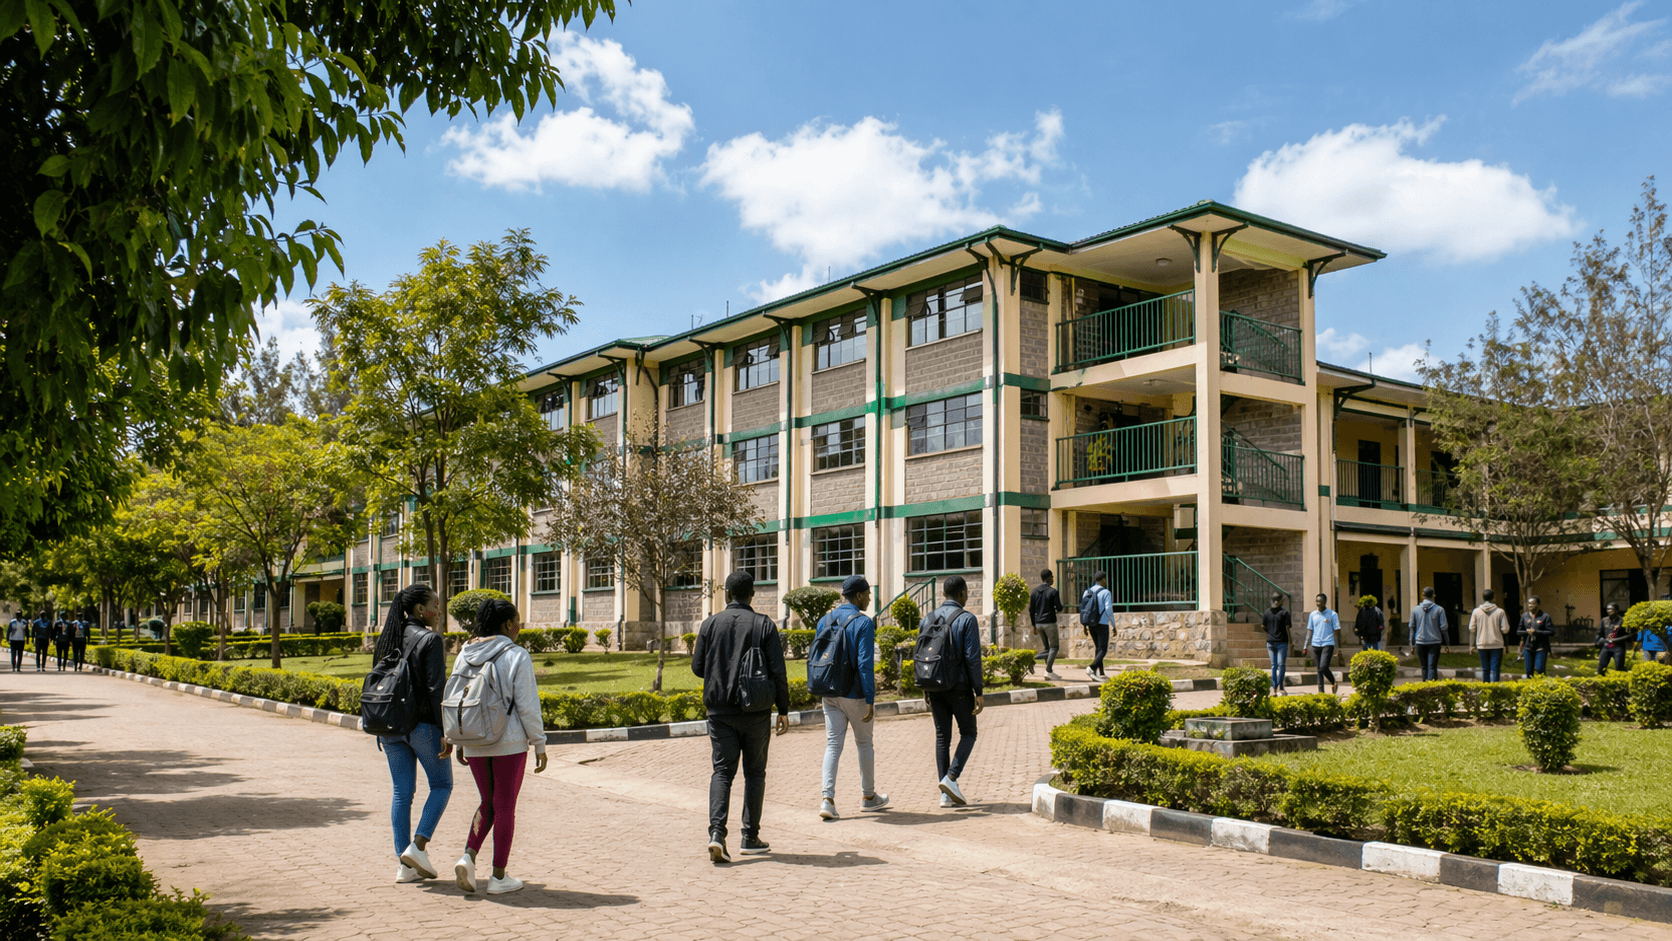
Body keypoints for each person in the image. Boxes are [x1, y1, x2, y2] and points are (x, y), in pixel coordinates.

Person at [692, 570, 790, 864]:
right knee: (755, 773)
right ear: (753, 595)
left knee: (722, 772)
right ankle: (750, 836)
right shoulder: (764, 625)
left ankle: (717, 834)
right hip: (756, 711)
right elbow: (778, 671)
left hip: (719, 710)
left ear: (726, 594)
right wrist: (783, 709)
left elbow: (698, 667)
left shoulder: (709, 624)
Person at [451, 598, 547, 896]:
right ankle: (498, 876)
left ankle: (468, 856)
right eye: (517, 621)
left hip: (475, 739)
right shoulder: (517, 655)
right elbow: (528, 705)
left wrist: (458, 739)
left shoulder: (464, 653)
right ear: (507, 624)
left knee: (487, 802)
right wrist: (540, 743)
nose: (520, 626)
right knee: (505, 807)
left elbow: (455, 698)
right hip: (510, 742)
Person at [371, 584, 452, 887]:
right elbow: (435, 691)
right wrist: (446, 731)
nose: (438, 609)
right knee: (442, 785)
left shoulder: (388, 637)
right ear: (420, 609)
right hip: (422, 726)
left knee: (402, 794)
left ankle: (403, 866)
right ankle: (417, 848)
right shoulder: (430, 640)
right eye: (435, 603)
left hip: (390, 727)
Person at [815, 575, 887, 821]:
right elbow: (865, 663)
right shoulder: (863, 622)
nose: (869, 598)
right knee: (864, 743)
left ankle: (827, 799)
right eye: (867, 594)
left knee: (833, 744)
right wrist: (870, 698)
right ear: (858, 596)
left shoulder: (824, 619)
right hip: (854, 693)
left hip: (829, 690)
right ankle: (868, 797)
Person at [921, 575, 985, 808]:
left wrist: (925, 688)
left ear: (942, 595)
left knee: (942, 738)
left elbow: (922, 654)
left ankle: (945, 795)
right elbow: (972, 657)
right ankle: (951, 777)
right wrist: (978, 690)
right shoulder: (967, 619)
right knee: (969, 733)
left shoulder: (927, 618)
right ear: (962, 594)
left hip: (933, 685)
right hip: (958, 686)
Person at [1028, 569, 1065, 680]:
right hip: (1049, 622)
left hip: (1038, 623)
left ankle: (1045, 668)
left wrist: (1033, 625)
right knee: (1054, 647)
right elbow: (1059, 608)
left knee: (1047, 649)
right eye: (1052, 577)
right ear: (1048, 578)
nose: (1053, 579)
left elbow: (1031, 609)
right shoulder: (1053, 592)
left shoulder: (1034, 592)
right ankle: (1048, 671)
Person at [1302, 594, 1341, 695]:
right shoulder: (1312, 615)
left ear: (1325, 602)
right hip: (1315, 644)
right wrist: (1305, 646)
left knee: (1323, 667)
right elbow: (1309, 631)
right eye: (1317, 601)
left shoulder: (1332, 614)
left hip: (1328, 643)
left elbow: (1337, 631)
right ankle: (1321, 692)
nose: (1318, 604)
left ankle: (1333, 681)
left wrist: (1338, 648)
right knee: (1319, 670)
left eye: (1320, 601)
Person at [1468, 589, 1510, 683]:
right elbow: (1505, 629)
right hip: (1496, 644)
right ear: (1493, 598)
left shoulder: (1476, 611)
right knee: (1495, 669)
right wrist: (1506, 647)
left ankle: (1486, 689)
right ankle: (1495, 690)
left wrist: (1471, 646)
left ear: (1483, 598)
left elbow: (1472, 629)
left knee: (1485, 669)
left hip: (1482, 644)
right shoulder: (1500, 612)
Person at [1080, 571, 1114, 681]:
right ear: (1103, 579)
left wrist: (1085, 626)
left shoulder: (1087, 592)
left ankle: (1100, 673)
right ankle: (1091, 668)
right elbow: (1108, 609)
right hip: (1102, 623)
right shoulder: (1106, 592)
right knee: (1103, 649)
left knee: (1098, 648)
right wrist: (1113, 624)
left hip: (1091, 623)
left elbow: (1084, 610)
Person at [1410, 587, 1449, 681]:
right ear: (1433, 596)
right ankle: (1432, 688)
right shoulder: (1439, 610)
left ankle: (1425, 687)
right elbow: (1444, 627)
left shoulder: (1415, 610)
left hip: (1420, 642)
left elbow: (1411, 627)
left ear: (1422, 596)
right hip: (1435, 642)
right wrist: (1447, 643)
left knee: (1424, 667)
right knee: (1432, 666)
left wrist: (1411, 644)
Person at [1261, 593, 1291, 697]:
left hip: (1270, 642)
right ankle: (1280, 687)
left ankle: (1274, 687)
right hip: (1282, 642)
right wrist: (1291, 642)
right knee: (1281, 665)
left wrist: (1270, 633)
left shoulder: (1266, 612)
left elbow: (1263, 626)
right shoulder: (1284, 613)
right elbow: (1288, 628)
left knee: (1274, 665)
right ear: (1280, 601)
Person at [1519, 596, 1555, 676]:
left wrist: (1537, 632)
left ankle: (1541, 686)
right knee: (1528, 671)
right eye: (1528, 604)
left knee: (1540, 670)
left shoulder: (1545, 617)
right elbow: (1518, 631)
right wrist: (1526, 632)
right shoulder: (1524, 616)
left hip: (1541, 647)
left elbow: (1551, 632)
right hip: (1528, 648)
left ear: (1538, 605)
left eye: (1532, 603)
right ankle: (1530, 687)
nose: (1530, 605)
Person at [1596, 602, 1631, 674]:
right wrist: (1597, 642)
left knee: (1619, 668)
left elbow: (1627, 635)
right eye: (1608, 609)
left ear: (1617, 610)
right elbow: (1600, 633)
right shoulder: (1604, 620)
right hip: (1606, 647)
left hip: (1618, 647)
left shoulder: (1622, 621)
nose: (1609, 611)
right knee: (1601, 668)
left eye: (1611, 609)